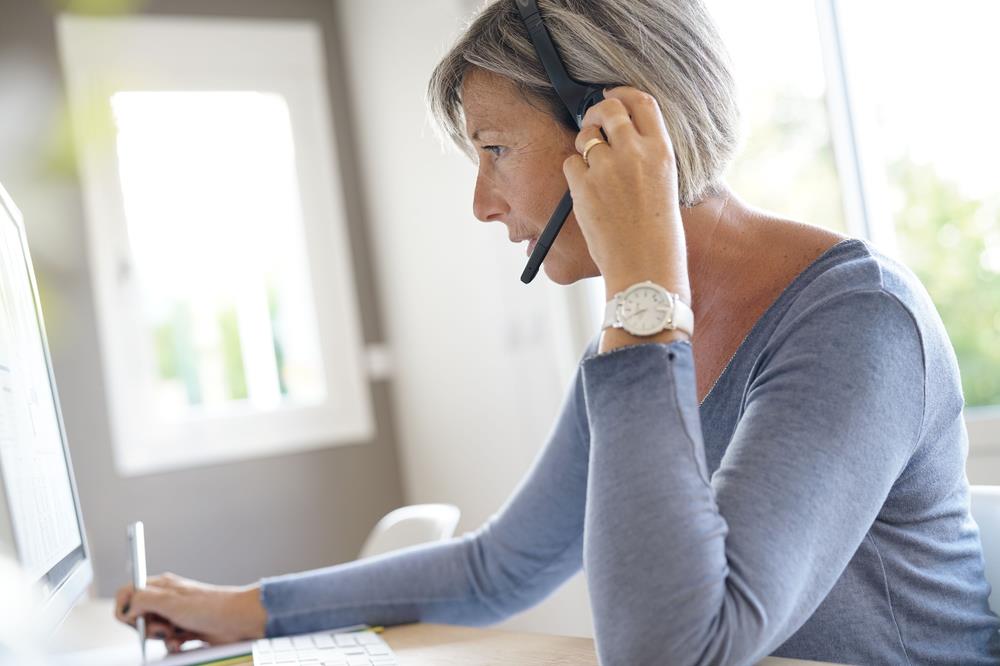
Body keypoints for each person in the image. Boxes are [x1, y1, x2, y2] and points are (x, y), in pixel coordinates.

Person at [116, 1, 1000, 663]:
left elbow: (672, 649)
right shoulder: (636, 349)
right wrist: (245, 610)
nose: (481, 202)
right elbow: (497, 569)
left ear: (611, 129)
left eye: (494, 149)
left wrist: (644, 292)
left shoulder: (855, 321)